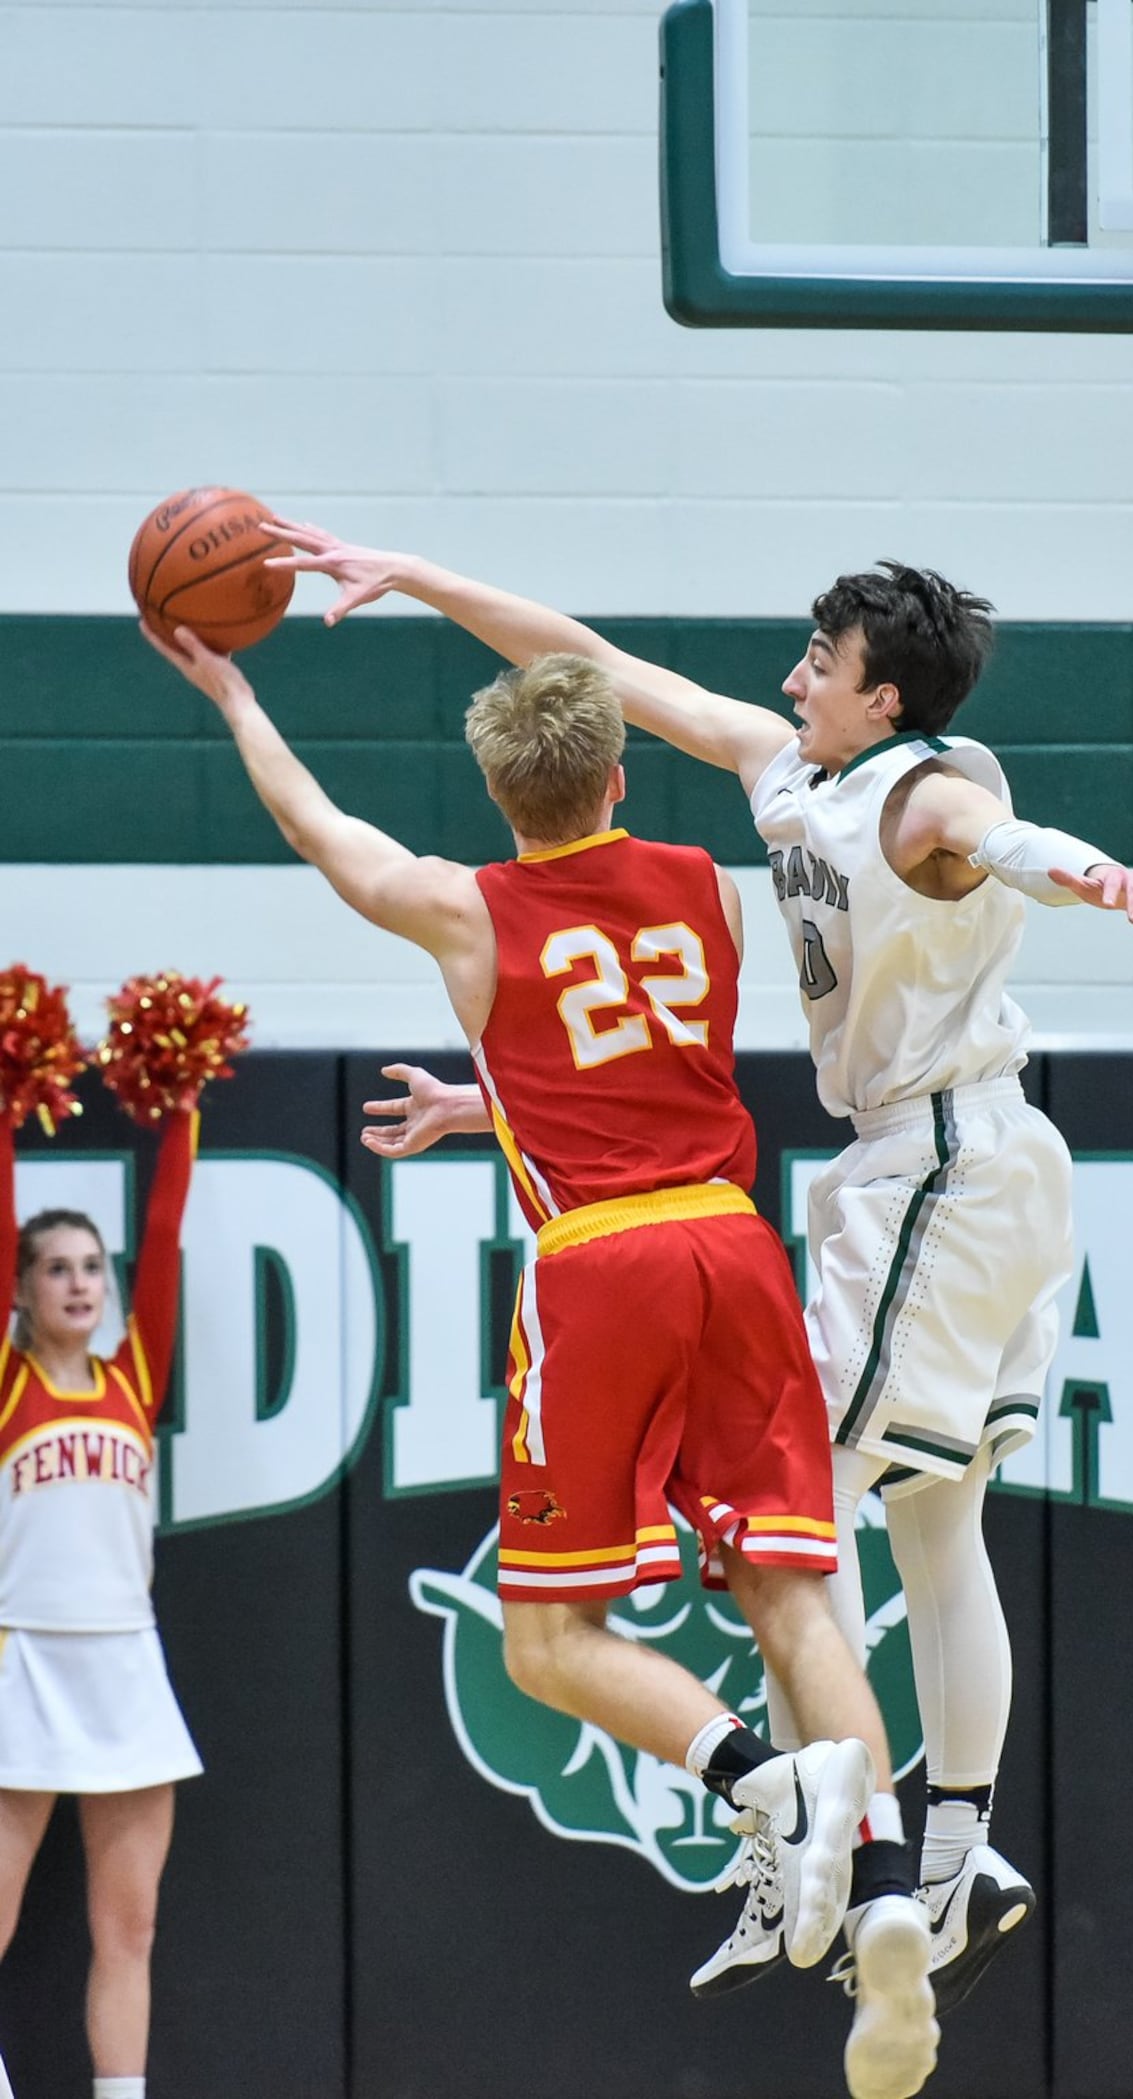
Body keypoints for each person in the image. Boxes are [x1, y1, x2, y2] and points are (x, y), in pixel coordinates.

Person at [258, 519, 1133, 2011]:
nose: (792, 674)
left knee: (792, 1524)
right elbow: (602, 668)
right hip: (974, 1161)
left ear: (886, 695)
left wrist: (1093, 874)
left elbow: (998, 838)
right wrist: (421, 577)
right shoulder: (783, 770)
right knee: (931, 1523)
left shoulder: (918, 789)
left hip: (937, 1162)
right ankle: (951, 1846)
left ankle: (833, 1844)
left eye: (823, 662)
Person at [142, 625, 938, 2099]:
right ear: (620, 774)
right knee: (793, 1590)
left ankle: (763, 1786)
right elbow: (623, 1050)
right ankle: (889, 1883)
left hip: (604, 1264)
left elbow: (324, 832)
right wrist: (493, 1099)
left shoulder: (465, 908)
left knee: (543, 1639)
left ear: (500, 794)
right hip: (731, 1237)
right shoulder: (705, 887)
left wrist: (238, 693)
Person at [0, 1099, 201, 2099]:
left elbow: (165, 1234)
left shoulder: (134, 1377)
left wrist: (183, 1111)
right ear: (24, 1287)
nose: (80, 1280)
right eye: (55, 1266)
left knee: (130, 1925)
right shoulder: (6, 1379)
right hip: (21, 1658)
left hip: (125, 1659)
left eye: (91, 1265)